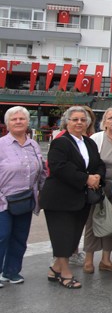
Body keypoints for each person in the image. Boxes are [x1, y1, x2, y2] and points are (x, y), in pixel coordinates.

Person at [40, 106, 105, 289]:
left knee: (74, 236)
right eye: (74, 119)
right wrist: (86, 179)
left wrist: (97, 177)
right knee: (63, 236)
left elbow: (98, 164)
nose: (79, 123)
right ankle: (65, 273)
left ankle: (54, 269)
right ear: (67, 122)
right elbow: (59, 167)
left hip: (80, 199)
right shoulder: (60, 142)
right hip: (59, 198)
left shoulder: (89, 143)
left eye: (82, 120)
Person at [0, 107, 47, 285]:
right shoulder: (1, 145)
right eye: (14, 119)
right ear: (7, 124)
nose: (18, 121)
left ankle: (11, 272)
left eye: (22, 118)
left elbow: (42, 170)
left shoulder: (33, 145)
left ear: (28, 122)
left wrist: (43, 192)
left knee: (20, 237)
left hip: (25, 200)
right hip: (3, 200)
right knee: (2, 236)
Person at [84, 107, 112, 274]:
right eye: (110, 118)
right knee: (92, 222)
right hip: (98, 187)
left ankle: (105, 259)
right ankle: (88, 260)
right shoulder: (96, 138)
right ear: (104, 121)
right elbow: (89, 162)